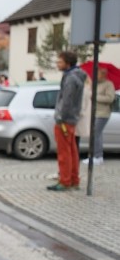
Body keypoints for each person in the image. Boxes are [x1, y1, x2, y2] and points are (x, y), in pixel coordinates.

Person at [48, 51, 86, 191]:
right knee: (72, 151)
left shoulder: (70, 78)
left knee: (64, 152)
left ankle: (65, 181)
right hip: (71, 119)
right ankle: (74, 179)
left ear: (67, 63)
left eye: (60, 61)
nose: (58, 64)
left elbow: (66, 100)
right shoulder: (77, 76)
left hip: (65, 120)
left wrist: (60, 117)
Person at [80, 66, 115, 166]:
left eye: (98, 73)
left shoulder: (108, 84)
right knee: (94, 134)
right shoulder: (94, 84)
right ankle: (92, 155)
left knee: (96, 133)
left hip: (102, 113)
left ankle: (98, 156)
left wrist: (95, 96)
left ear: (103, 74)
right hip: (93, 113)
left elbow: (110, 98)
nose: (95, 75)